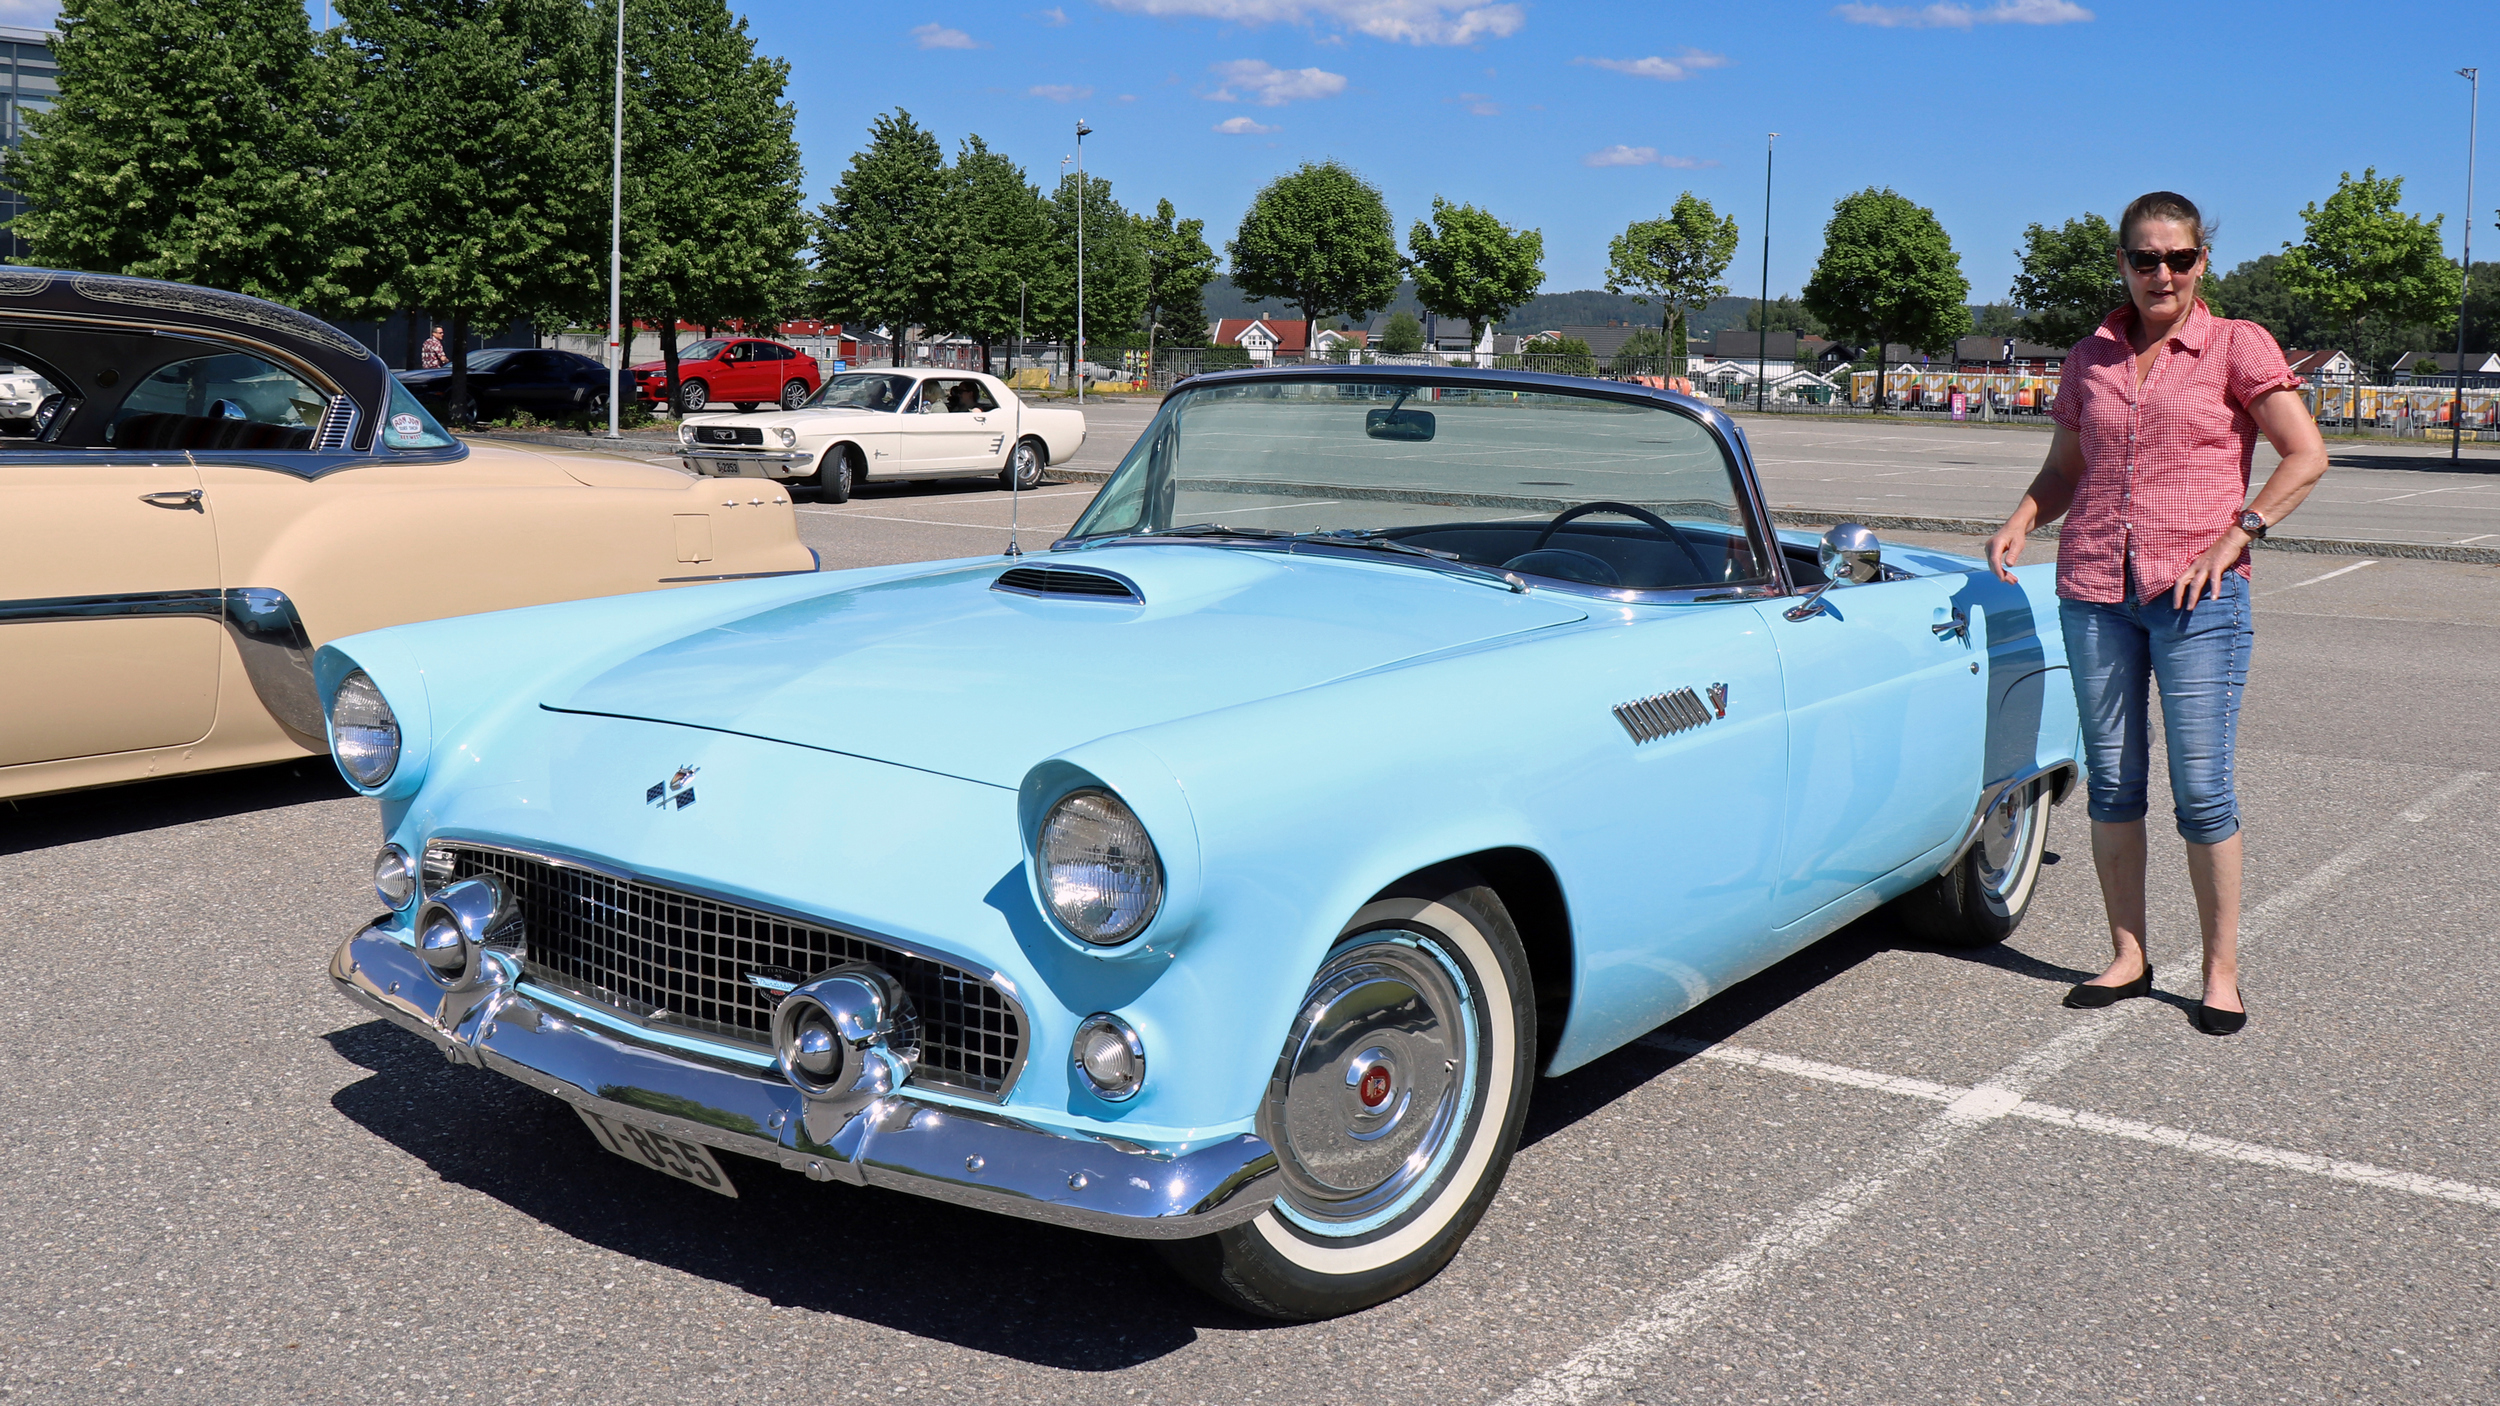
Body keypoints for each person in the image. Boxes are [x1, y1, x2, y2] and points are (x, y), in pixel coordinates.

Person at [1985, 191, 2330, 1037]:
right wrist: (2024, 516)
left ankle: (2220, 973)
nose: (2162, 274)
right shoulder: (2089, 357)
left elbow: (2305, 453)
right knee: (2113, 783)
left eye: (2178, 258)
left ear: (2201, 261)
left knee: (2203, 793)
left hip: (2198, 599)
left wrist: (2238, 534)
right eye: (2146, 259)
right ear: (2124, 265)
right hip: (2095, 590)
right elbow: (2065, 469)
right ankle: (2128, 956)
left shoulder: (2236, 344)